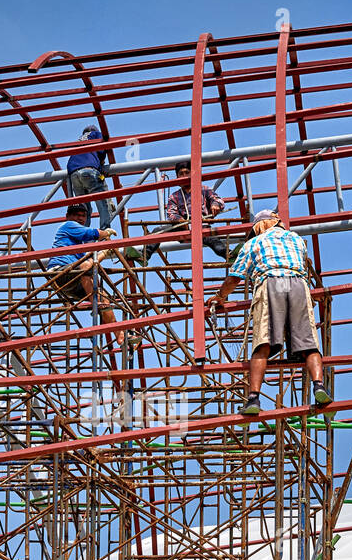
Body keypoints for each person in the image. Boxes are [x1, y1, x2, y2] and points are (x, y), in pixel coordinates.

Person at [208, 209, 331, 415]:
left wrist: (220, 297)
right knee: (309, 344)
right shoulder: (296, 239)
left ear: (260, 226)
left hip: (270, 282)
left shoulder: (254, 243)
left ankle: (253, 398)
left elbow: (234, 278)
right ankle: (319, 386)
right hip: (298, 284)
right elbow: (302, 265)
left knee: (262, 343)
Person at [129, 161, 231, 264]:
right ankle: (144, 256)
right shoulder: (175, 196)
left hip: (202, 226)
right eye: (181, 174)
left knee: (214, 241)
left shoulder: (204, 190)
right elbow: (171, 214)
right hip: (182, 228)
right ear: (177, 177)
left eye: (187, 173)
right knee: (157, 231)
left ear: (192, 174)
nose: (184, 176)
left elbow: (218, 200)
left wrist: (215, 205)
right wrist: (179, 220)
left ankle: (229, 254)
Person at [47, 203, 120, 330]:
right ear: (67, 216)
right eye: (76, 215)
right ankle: (96, 304)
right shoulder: (68, 225)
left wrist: (105, 253)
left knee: (104, 297)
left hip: (73, 280)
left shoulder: (78, 244)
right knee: (85, 267)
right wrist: (105, 233)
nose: (80, 218)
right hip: (59, 273)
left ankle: (120, 335)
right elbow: (92, 233)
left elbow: (92, 261)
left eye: (83, 216)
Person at [66, 125, 116, 231]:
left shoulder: (78, 141)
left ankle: (82, 234)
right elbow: (103, 150)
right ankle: (104, 233)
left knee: (84, 208)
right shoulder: (96, 135)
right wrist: (101, 163)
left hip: (74, 174)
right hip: (88, 170)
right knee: (103, 203)